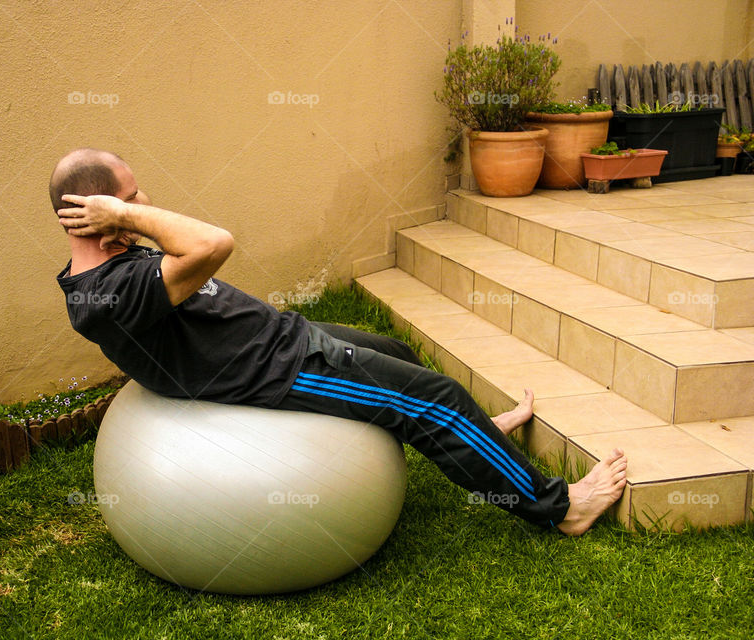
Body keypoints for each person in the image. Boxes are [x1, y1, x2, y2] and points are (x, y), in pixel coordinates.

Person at [50, 148, 627, 536]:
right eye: (128, 197)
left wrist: (123, 215)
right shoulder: (109, 294)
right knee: (439, 399)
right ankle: (560, 508)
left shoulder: (120, 260)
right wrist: (125, 214)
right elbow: (214, 244)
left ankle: (474, 440)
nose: (143, 203)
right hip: (281, 369)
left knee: (399, 359)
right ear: (93, 215)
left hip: (283, 338)